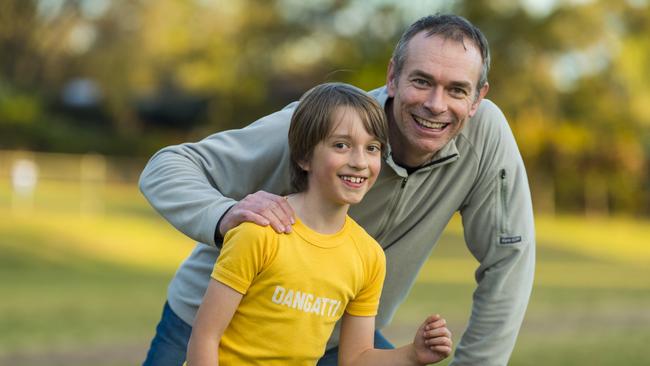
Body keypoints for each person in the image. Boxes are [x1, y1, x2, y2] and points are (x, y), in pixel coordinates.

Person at [140, 13, 535, 366]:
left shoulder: (486, 140)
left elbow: (509, 262)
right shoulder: (321, 123)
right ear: (393, 76)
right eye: (422, 81)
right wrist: (224, 215)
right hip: (216, 326)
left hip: (340, 340)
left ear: (478, 98)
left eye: (457, 90)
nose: (435, 104)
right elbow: (166, 168)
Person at [185, 82, 452, 365]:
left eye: (372, 148)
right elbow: (205, 337)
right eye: (341, 145)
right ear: (304, 156)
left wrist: (412, 354)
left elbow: (355, 358)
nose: (360, 161)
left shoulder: (368, 256)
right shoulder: (261, 231)